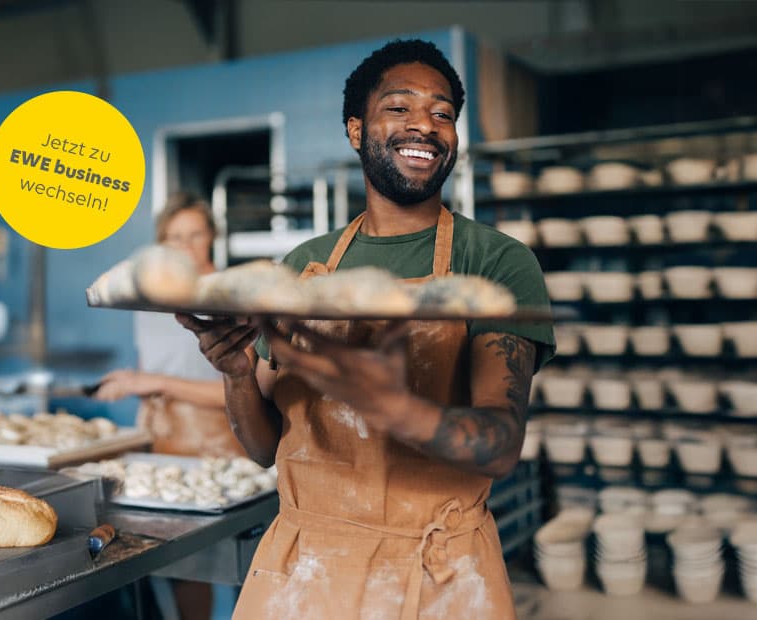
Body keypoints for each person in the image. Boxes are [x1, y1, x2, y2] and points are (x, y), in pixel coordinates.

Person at [177, 39, 554, 619]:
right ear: (356, 130)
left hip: (439, 573)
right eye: (399, 108)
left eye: (443, 113)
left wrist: (387, 401)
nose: (425, 126)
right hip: (302, 569)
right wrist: (235, 375)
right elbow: (262, 449)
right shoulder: (304, 267)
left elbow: (499, 445)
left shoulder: (495, 263)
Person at [95, 193, 243, 620]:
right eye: (174, 238)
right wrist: (130, 382)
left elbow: (239, 391)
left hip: (224, 451)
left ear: (212, 236)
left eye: (195, 234)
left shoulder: (233, 298)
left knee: (232, 566)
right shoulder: (147, 303)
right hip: (163, 447)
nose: (186, 246)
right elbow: (152, 375)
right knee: (182, 569)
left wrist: (155, 382)